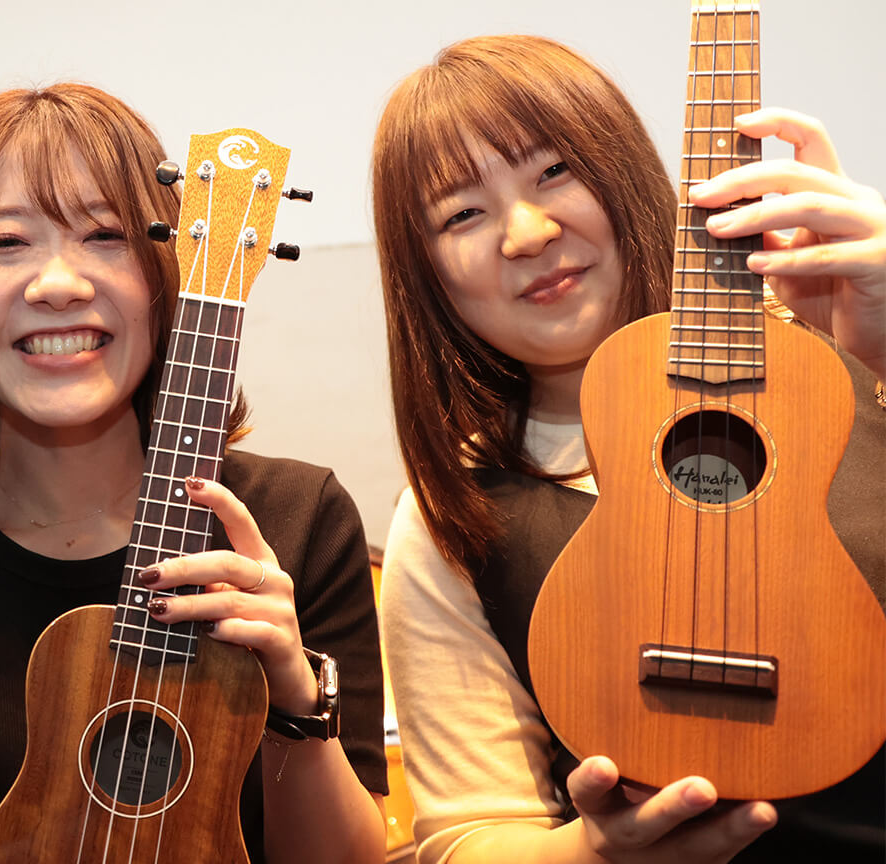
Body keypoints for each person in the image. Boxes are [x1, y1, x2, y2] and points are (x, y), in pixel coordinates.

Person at [0, 82, 388, 864]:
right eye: (6, 242)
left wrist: (293, 693)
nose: (59, 284)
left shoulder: (299, 521)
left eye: (105, 235)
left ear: (166, 271)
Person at [372, 34, 885, 864]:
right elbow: (467, 836)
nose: (527, 232)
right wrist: (593, 854)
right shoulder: (453, 515)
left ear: (624, 171)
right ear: (425, 274)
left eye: (554, 171)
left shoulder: (846, 365)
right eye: (461, 213)